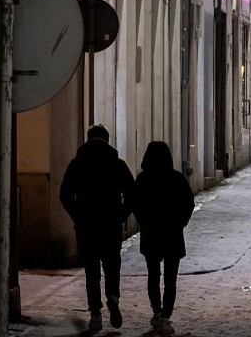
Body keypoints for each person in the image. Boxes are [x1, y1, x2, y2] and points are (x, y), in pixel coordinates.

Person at [60, 124, 135, 332]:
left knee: (91, 271)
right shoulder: (117, 164)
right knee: (112, 265)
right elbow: (132, 194)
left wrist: (77, 215)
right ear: (107, 140)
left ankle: (95, 314)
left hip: (86, 226)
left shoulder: (77, 164)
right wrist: (120, 215)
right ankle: (112, 296)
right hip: (110, 224)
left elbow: (65, 194)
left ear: (88, 139)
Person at [134, 141, 195, 336]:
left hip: (151, 233)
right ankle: (166, 316)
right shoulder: (177, 178)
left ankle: (157, 312)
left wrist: (144, 222)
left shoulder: (143, 179)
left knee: (153, 276)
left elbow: (136, 204)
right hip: (172, 233)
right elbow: (189, 203)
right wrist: (180, 223)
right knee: (170, 279)